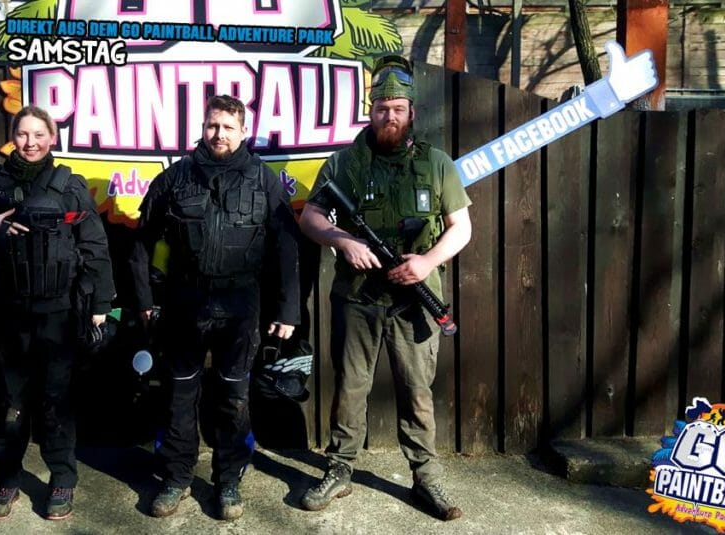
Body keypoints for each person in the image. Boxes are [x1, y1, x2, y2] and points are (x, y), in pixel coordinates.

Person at [298, 55, 472, 521]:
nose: (388, 116)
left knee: (416, 391)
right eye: (381, 108)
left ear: (411, 111)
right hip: (357, 297)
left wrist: (427, 262)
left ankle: (426, 478)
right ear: (369, 110)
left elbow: (461, 227)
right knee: (350, 388)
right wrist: (343, 241)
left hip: (415, 301)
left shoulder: (436, 164)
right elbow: (311, 216)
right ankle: (339, 468)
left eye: (397, 108)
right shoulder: (344, 163)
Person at [129, 94, 300, 521]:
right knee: (178, 394)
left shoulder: (264, 181)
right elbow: (141, 244)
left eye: (227, 127)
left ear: (244, 131)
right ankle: (176, 477)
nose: (218, 134)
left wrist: (288, 309)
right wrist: (145, 301)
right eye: (212, 125)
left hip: (241, 305)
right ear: (202, 128)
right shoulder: (175, 178)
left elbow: (286, 247)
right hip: (184, 304)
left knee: (233, 396)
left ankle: (228, 480)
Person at [0, 105, 115, 521]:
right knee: (10, 401)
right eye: (23, 134)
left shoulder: (69, 186)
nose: (30, 143)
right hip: (8, 313)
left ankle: (62, 479)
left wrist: (101, 306)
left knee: (55, 400)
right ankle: (6, 479)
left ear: (52, 138)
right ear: (13, 137)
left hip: (58, 313)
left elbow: (94, 245)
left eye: (38, 135)